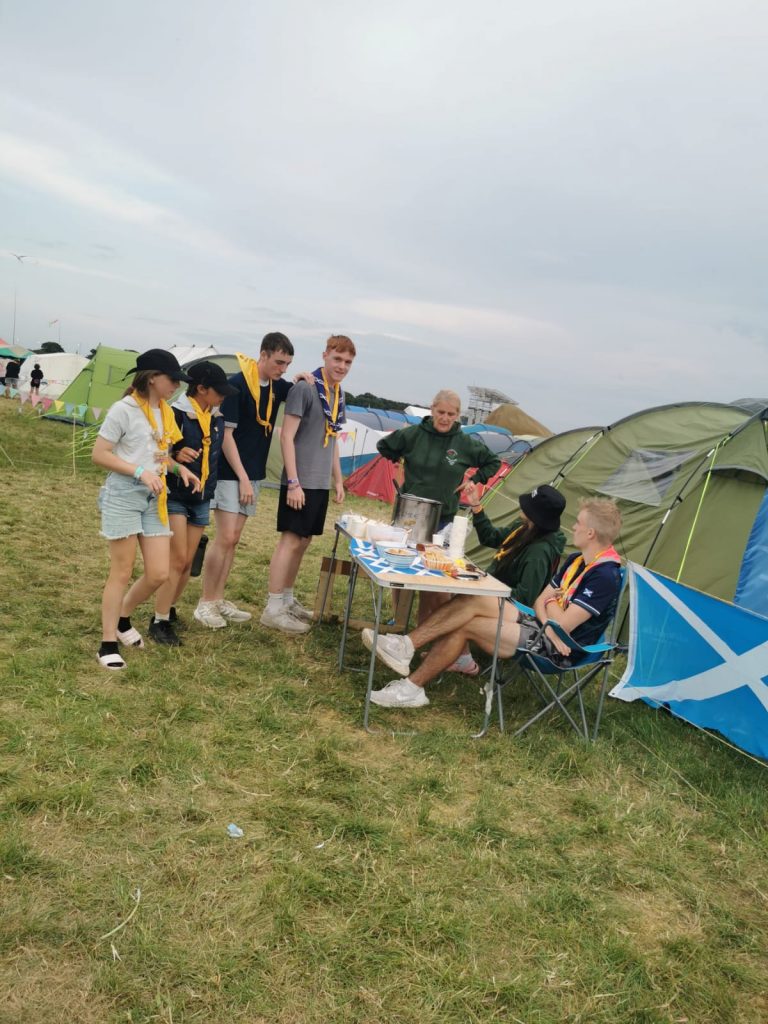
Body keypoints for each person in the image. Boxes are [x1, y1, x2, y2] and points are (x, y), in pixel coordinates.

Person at [363, 497, 622, 708]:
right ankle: (405, 646)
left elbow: (563, 623)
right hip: (544, 630)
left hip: (562, 649)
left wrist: (553, 622)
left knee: (469, 625)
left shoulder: (605, 575)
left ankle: (412, 689)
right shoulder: (577, 558)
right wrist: (551, 620)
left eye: (578, 524)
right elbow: (541, 599)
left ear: (590, 532)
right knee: (475, 598)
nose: (573, 527)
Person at [91, 349, 200, 670]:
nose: (176, 387)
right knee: (121, 571)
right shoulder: (123, 410)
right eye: (172, 380)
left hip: (156, 497)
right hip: (124, 494)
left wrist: (181, 470)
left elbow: (160, 456)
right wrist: (140, 472)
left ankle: (123, 618)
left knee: (158, 573)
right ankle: (107, 643)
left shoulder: (165, 412)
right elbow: (100, 454)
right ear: (152, 378)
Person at [195, 333, 295, 629]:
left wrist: (302, 376)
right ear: (262, 355)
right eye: (279, 362)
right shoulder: (238, 385)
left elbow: (298, 388)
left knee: (234, 540)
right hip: (230, 472)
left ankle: (219, 598)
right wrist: (243, 478)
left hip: (253, 473)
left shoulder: (276, 385)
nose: (283, 369)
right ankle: (205, 602)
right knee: (224, 537)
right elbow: (226, 437)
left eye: (288, 364)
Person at [377, 389, 500, 621]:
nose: (445, 418)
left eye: (451, 414)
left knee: (437, 576)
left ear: (458, 415)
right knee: (403, 566)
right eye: (441, 412)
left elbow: (492, 462)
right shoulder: (413, 434)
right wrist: (399, 460)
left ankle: (431, 624)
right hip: (410, 514)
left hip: (444, 518)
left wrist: (474, 479)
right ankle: (399, 617)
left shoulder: (464, 443)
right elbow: (384, 445)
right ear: (432, 409)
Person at [260, 335, 356, 634]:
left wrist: (338, 479)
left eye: (348, 362)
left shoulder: (338, 393)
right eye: (337, 359)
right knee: (289, 540)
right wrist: (292, 482)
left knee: (304, 542)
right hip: (298, 480)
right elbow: (286, 436)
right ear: (325, 355)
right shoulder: (305, 387)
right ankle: (272, 607)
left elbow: (333, 439)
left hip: (319, 482)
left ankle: (287, 600)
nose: (342, 366)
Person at [148, 361, 239, 645]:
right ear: (201, 388)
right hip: (176, 494)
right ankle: (158, 620)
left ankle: (169, 607)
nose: (223, 396)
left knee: (189, 562)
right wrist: (176, 455)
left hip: (202, 496)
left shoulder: (216, 417)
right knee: (177, 560)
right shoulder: (176, 413)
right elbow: (157, 453)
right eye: (218, 391)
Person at [440, 482, 567, 675]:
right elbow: (490, 537)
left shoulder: (539, 553)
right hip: (494, 591)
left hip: (516, 610)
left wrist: (487, 588)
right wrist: (476, 505)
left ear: (536, 515)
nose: (522, 506)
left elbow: (525, 598)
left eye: (528, 506)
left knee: (464, 598)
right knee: (448, 585)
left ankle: (462, 658)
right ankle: (449, 649)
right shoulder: (524, 527)